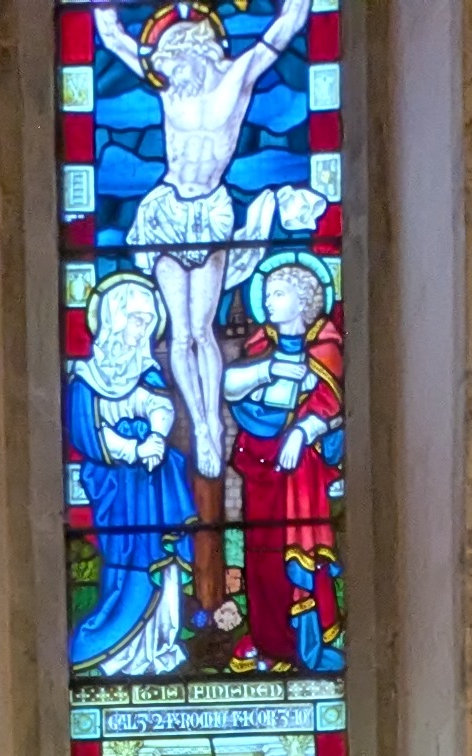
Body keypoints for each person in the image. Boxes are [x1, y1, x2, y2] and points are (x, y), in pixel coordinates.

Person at [92, 1, 318, 626]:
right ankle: (198, 417)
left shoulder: (235, 76)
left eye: (172, 53)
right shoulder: (169, 80)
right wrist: (107, 19)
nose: (165, 64)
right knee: (181, 333)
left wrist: (298, 6)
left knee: (202, 332)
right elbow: (115, 44)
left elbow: (281, 34)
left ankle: (209, 428)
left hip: (209, 209)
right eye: (162, 58)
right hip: (167, 207)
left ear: (198, 48)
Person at [65, 272, 191, 679]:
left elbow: (159, 406)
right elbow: (88, 433)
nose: (143, 331)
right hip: (115, 488)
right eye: (137, 320)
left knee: (161, 560)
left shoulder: (145, 370)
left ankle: (159, 645)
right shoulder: (85, 380)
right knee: (123, 561)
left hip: (150, 486)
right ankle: (118, 652)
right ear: (115, 320)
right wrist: (132, 449)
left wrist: (155, 435)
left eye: (149, 322)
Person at [225, 253, 341, 668]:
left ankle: (305, 645)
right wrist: (267, 372)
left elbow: (333, 403)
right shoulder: (260, 344)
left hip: (300, 474)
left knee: (296, 552)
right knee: (261, 555)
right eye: (268, 293)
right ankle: (265, 638)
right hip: (260, 467)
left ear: (304, 299)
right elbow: (232, 386)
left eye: (279, 293)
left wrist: (302, 430)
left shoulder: (326, 346)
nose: (269, 301)